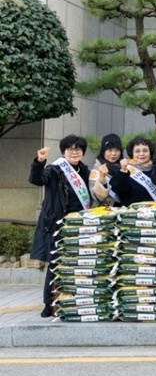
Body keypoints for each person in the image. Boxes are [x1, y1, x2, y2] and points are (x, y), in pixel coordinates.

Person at [29, 135, 91, 318]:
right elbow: (37, 179)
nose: (74, 151)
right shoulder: (54, 169)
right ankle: (49, 303)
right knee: (55, 264)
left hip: (79, 224)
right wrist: (39, 161)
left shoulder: (85, 171)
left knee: (78, 263)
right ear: (63, 151)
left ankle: (74, 299)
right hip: (57, 223)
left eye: (78, 149)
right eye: (70, 149)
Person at [110, 136, 156, 205]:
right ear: (132, 154)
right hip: (132, 213)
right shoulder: (126, 170)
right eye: (137, 151)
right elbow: (119, 191)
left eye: (145, 151)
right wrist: (123, 170)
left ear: (150, 153)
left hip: (155, 212)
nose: (141, 154)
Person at [88, 133, 124, 207]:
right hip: (103, 213)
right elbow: (96, 197)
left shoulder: (124, 167)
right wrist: (102, 178)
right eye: (109, 150)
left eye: (117, 150)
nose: (113, 153)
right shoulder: (97, 170)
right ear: (103, 152)